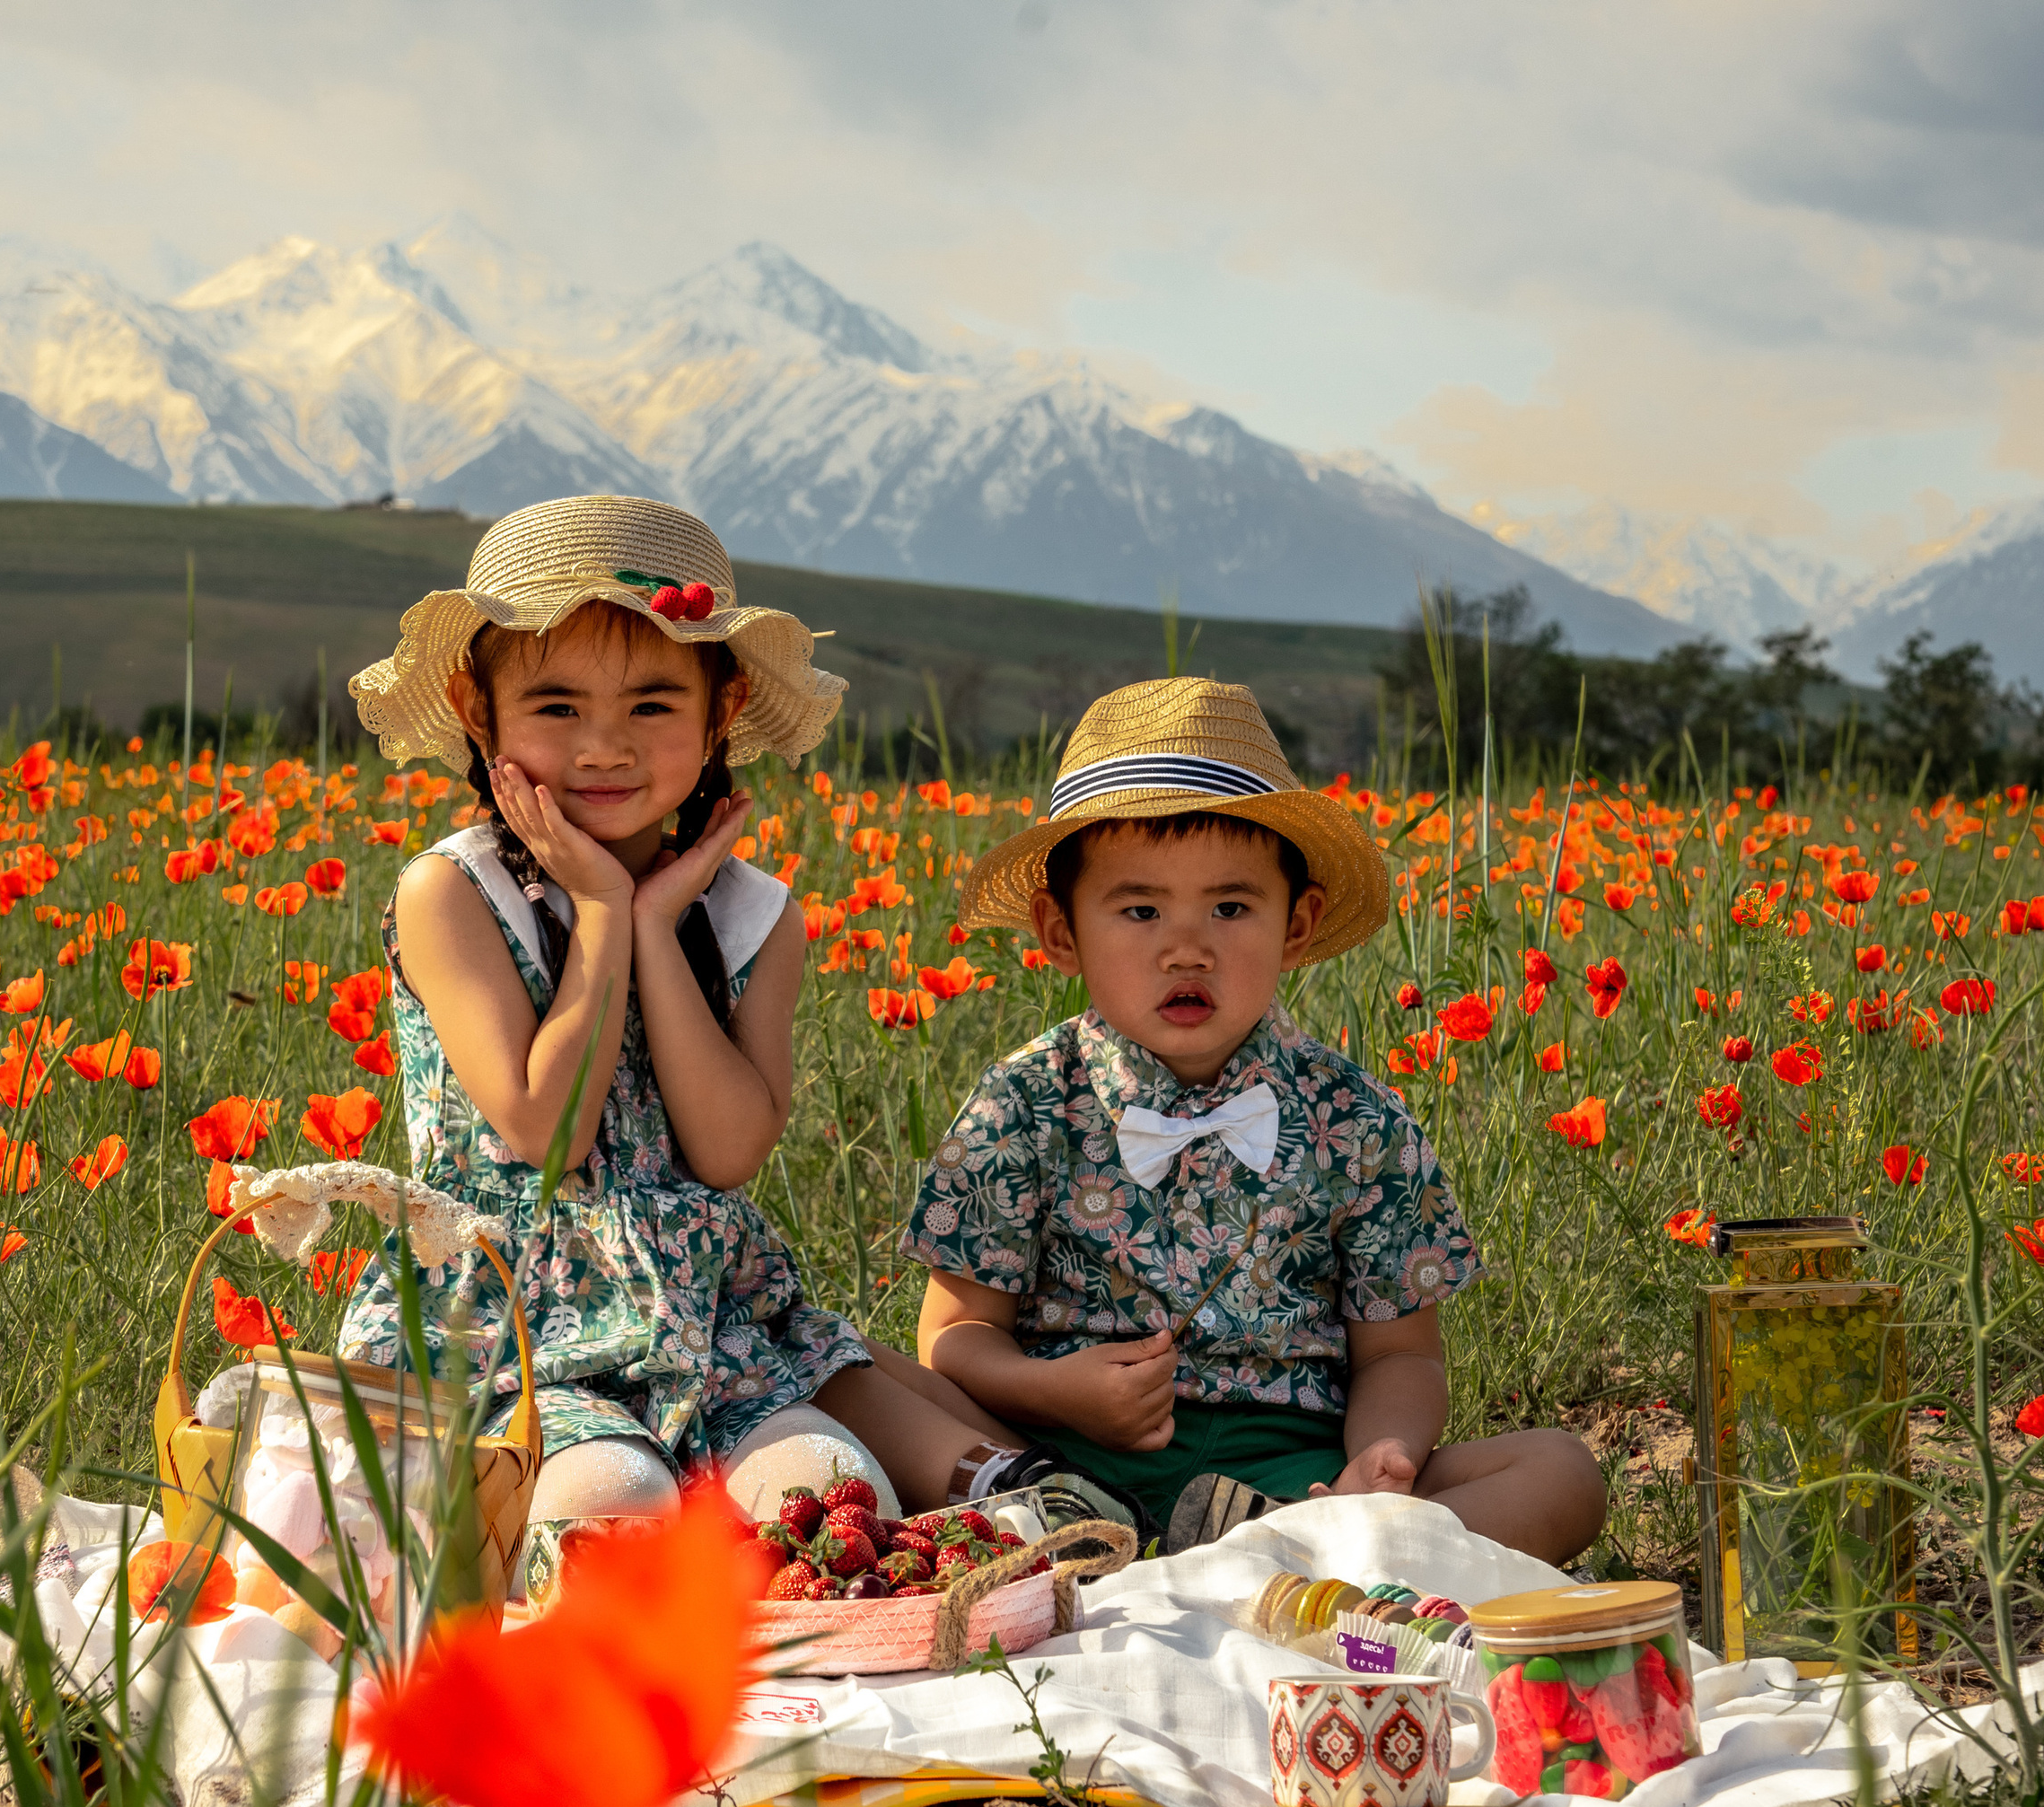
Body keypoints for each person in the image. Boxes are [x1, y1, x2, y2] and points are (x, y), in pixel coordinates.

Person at [337, 495, 1077, 1534]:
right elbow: (548, 1132)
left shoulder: (751, 916)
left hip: (709, 1307)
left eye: (651, 706)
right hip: (511, 1317)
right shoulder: (452, 894)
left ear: (720, 711)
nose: (604, 748)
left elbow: (727, 1151)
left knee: (830, 1493)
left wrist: (654, 926)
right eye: (555, 707)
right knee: (616, 1510)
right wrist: (598, 912)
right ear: (477, 709)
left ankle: (990, 1512)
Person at [899, 676, 1606, 1566]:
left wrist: (1379, 1461)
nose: (1186, 946)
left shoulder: (1355, 1119)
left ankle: (1293, 1551)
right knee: (850, 1369)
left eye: (1230, 908)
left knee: (1561, 1469)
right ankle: (1044, 1514)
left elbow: (1400, 1357)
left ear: (1296, 925)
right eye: (1139, 909)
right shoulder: (1024, 1102)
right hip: (1060, 1448)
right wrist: (1057, 1390)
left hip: (1292, 1478)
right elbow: (953, 1338)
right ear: (1060, 930)